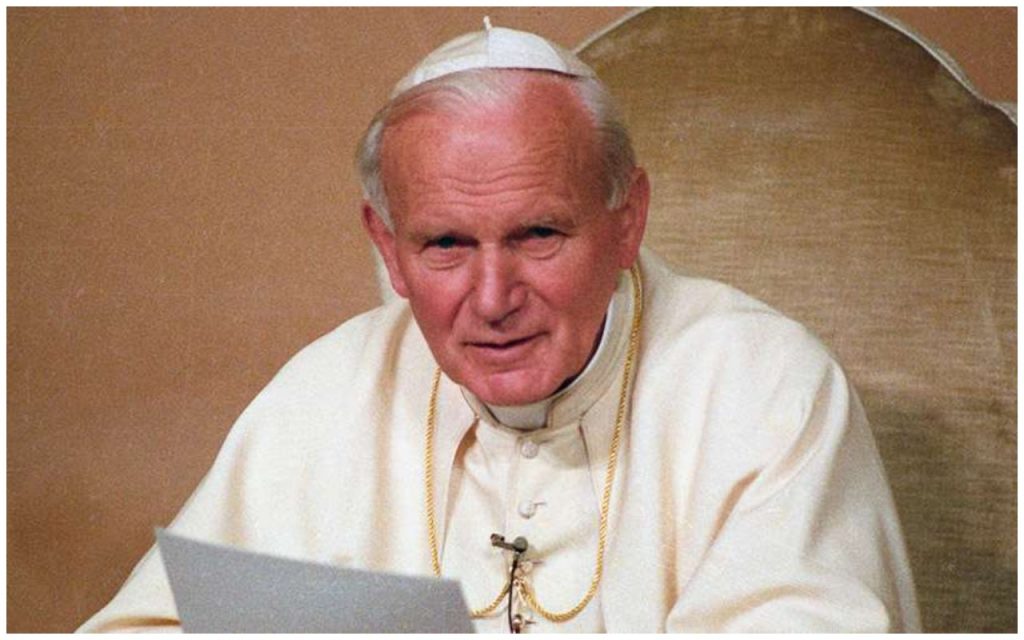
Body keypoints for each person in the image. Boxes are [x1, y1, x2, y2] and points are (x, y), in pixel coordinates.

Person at [78, 24, 920, 633]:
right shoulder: (326, 392)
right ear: (388, 247)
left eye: (537, 234)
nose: (491, 298)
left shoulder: (765, 389)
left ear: (627, 220)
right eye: (446, 244)